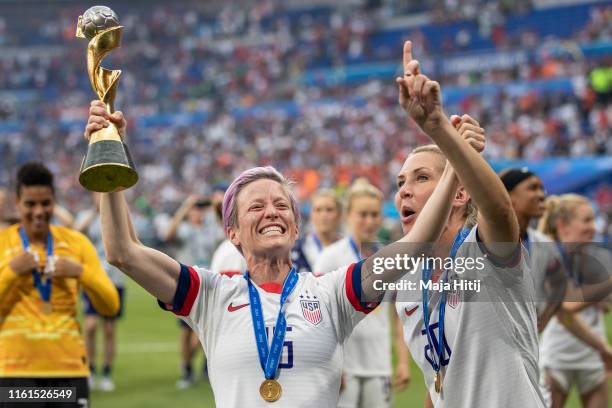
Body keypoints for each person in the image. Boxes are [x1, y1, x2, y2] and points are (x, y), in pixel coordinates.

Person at [83, 93, 461, 407]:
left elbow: (412, 249)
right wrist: (107, 154)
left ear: (296, 227)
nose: (271, 213)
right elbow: (123, 252)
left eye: (282, 206)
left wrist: (454, 165)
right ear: (232, 232)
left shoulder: (331, 293)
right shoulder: (211, 294)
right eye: (256, 207)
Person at [394, 41, 545, 407]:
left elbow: (500, 210)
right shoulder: (408, 284)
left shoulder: (486, 253)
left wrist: (438, 128)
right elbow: (438, 381)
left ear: (458, 195)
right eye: (399, 184)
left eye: (420, 179)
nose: (404, 193)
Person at [0, 162, 119, 408]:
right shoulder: (3, 244)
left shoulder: (76, 243)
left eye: (46, 203)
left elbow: (110, 306)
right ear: (17, 203)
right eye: (30, 204)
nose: (39, 211)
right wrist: (12, 270)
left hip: (69, 372)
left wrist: (80, 272)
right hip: (15, 374)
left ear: (55, 202)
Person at [314, 178, 410, 408]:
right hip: (344, 369)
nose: (369, 221)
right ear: (348, 215)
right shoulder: (330, 257)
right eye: (362, 214)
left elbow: (398, 315)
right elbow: (318, 317)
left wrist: (403, 362)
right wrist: (332, 365)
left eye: (374, 214)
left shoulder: (389, 257)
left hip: (379, 366)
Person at [538, 194, 611, 408]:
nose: (594, 227)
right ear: (563, 226)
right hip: (558, 356)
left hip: (592, 355)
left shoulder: (593, 257)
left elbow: (603, 303)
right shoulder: (550, 257)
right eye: (587, 220)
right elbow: (568, 307)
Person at [164, 194, 224, 389]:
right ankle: (187, 368)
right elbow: (168, 234)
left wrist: (216, 208)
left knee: (202, 332)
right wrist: (186, 205)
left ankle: (198, 365)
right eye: (195, 209)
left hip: (208, 286)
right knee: (184, 333)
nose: (198, 212)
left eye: (200, 208)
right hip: (186, 284)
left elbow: (225, 233)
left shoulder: (210, 230)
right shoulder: (184, 230)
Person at [75, 193, 126, 392]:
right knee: (89, 326)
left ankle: (106, 373)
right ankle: (89, 369)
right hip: (93, 279)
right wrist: (94, 213)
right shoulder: (85, 216)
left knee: (109, 329)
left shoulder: (116, 214)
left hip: (114, 280)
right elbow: (77, 233)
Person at [292, 189, 342, 273]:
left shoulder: (349, 247)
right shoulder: (299, 248)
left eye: (329, 210)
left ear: (339, 214)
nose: (323, 215)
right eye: (318, 210)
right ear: (311, 214)